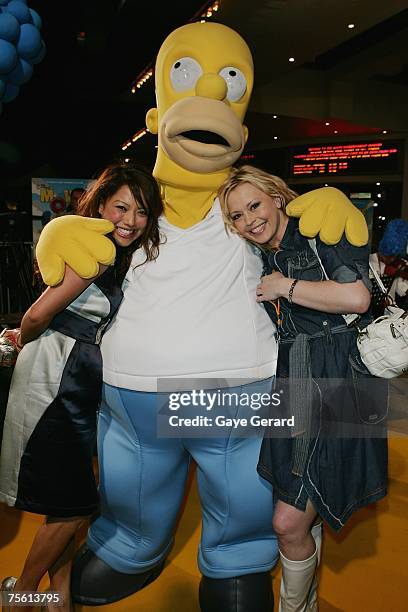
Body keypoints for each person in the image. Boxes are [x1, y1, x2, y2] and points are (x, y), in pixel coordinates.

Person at [34, 22, 369, 612]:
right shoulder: (135, 200)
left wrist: (327, 202)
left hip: (237, 389)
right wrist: (60, 231)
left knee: (242, 484)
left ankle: (238, 559)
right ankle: (129, 546)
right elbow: (84, 238)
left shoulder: (246, 203)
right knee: (133, 485)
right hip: (135, 394)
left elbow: (302, 241)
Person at [219, 165, 388, 612]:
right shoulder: (261, 253)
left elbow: (357, 298)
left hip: (335, 382)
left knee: (286, 520)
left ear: (277, 196)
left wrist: (286, 287)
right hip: (294, 379)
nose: (249, 220)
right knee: (301, 504)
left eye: (254, 205)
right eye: (236, 215)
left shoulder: (318, 229)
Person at [0, 161, 163, 612]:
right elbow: (36, 314)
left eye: (142, 212)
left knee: (69, 508)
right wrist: (16, 343)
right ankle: (21, 596)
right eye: (121, 208)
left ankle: (59, 600)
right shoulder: (94, 252)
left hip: (78, 382)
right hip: (55, 380)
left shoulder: (116, 252)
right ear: (101, 205)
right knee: (73, 507)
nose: (130, 221)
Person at [369, 218, 408, 317]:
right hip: (368, 314)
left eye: (395, 256)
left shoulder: (399, 264)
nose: (391, 260)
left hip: (388, 315)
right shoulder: (368, 262)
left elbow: (402, 291)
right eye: (388, 256)